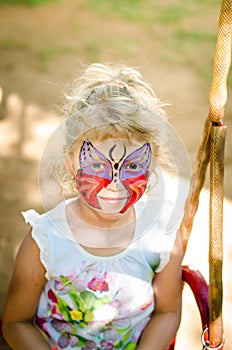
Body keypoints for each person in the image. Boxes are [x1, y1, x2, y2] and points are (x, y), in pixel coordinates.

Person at [2, 63, 184, 350]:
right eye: (96, 164)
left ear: (151, 170)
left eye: (133, 165)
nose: (114, 183)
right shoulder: (45, 240)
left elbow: (168, 311)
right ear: (69, 163)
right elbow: (16, 322)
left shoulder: (162, 238)